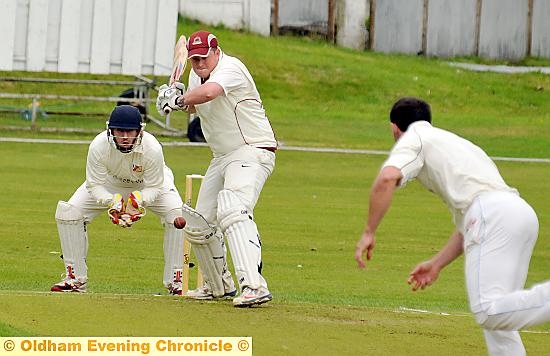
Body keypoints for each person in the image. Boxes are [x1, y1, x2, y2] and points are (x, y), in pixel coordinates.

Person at [354, 97, 550, 355]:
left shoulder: (415, 137)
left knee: (487, 311)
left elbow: (387, 178)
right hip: (520, 213)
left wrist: (369, 231)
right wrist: (436, 264)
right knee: (500, 321)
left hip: (493, 214)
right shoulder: (457, 144)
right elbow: (469, 224)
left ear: (394, 128)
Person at [156, 30, 277, 307]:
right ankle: (217, 285)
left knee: (233, 208)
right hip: (222, 155)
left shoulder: (231, 67)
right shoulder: (195, 76)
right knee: (199, 223)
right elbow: (195, 107)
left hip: (252, 148)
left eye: (203, 57)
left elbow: (210, 93)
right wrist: (174, 96)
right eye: (194, 59)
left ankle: (255, 287)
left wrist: (181, 98)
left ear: (215, 51)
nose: (199, 64)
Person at [51, 105, 186, 295]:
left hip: (149, 184)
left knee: (178, 216)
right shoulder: (98, 146)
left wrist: (138, 201)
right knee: (69, 212)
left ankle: (177, 280)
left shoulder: (153, 148)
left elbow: (155, 186)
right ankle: (75, 278)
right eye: (119, 131)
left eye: (129, 131)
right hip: (110, 182)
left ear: (139, 131)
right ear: (110, 130)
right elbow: (94, 184)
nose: (124, 136)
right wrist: (112, 202)